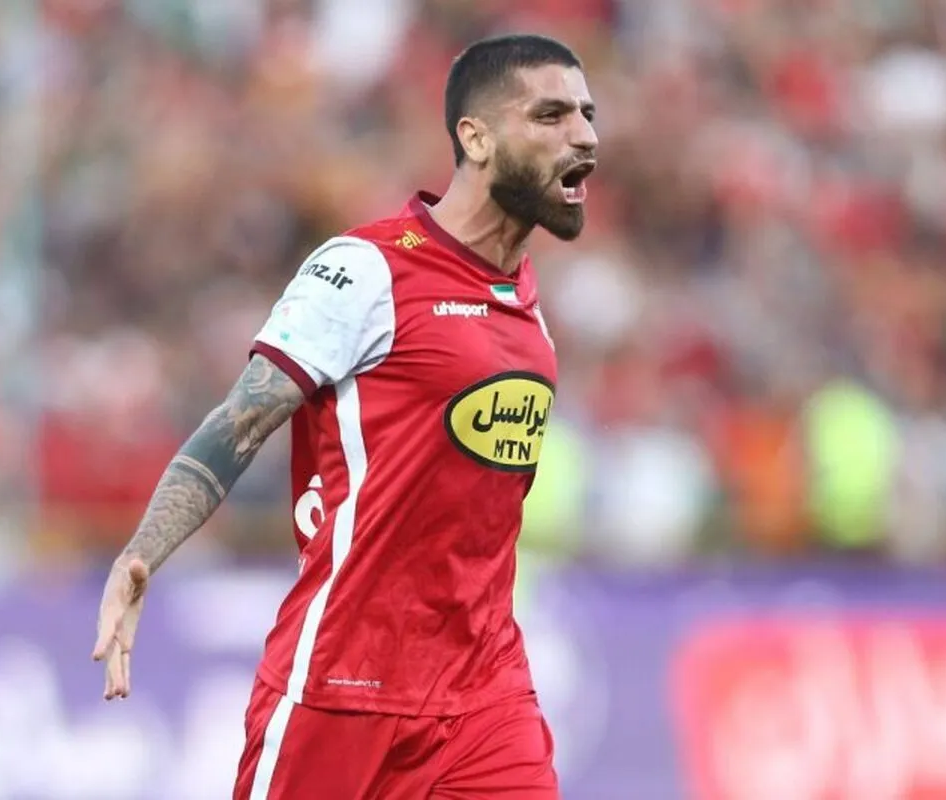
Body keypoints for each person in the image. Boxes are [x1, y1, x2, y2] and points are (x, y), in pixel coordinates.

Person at [92, 32, 598, 799]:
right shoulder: (366, 269)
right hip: (343, 689)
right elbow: (241, 421)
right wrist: (143, 554)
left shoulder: (526, 309)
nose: (584, 136)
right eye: (552, 115)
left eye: (587, 115)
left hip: (485, 696)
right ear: (477, 138)